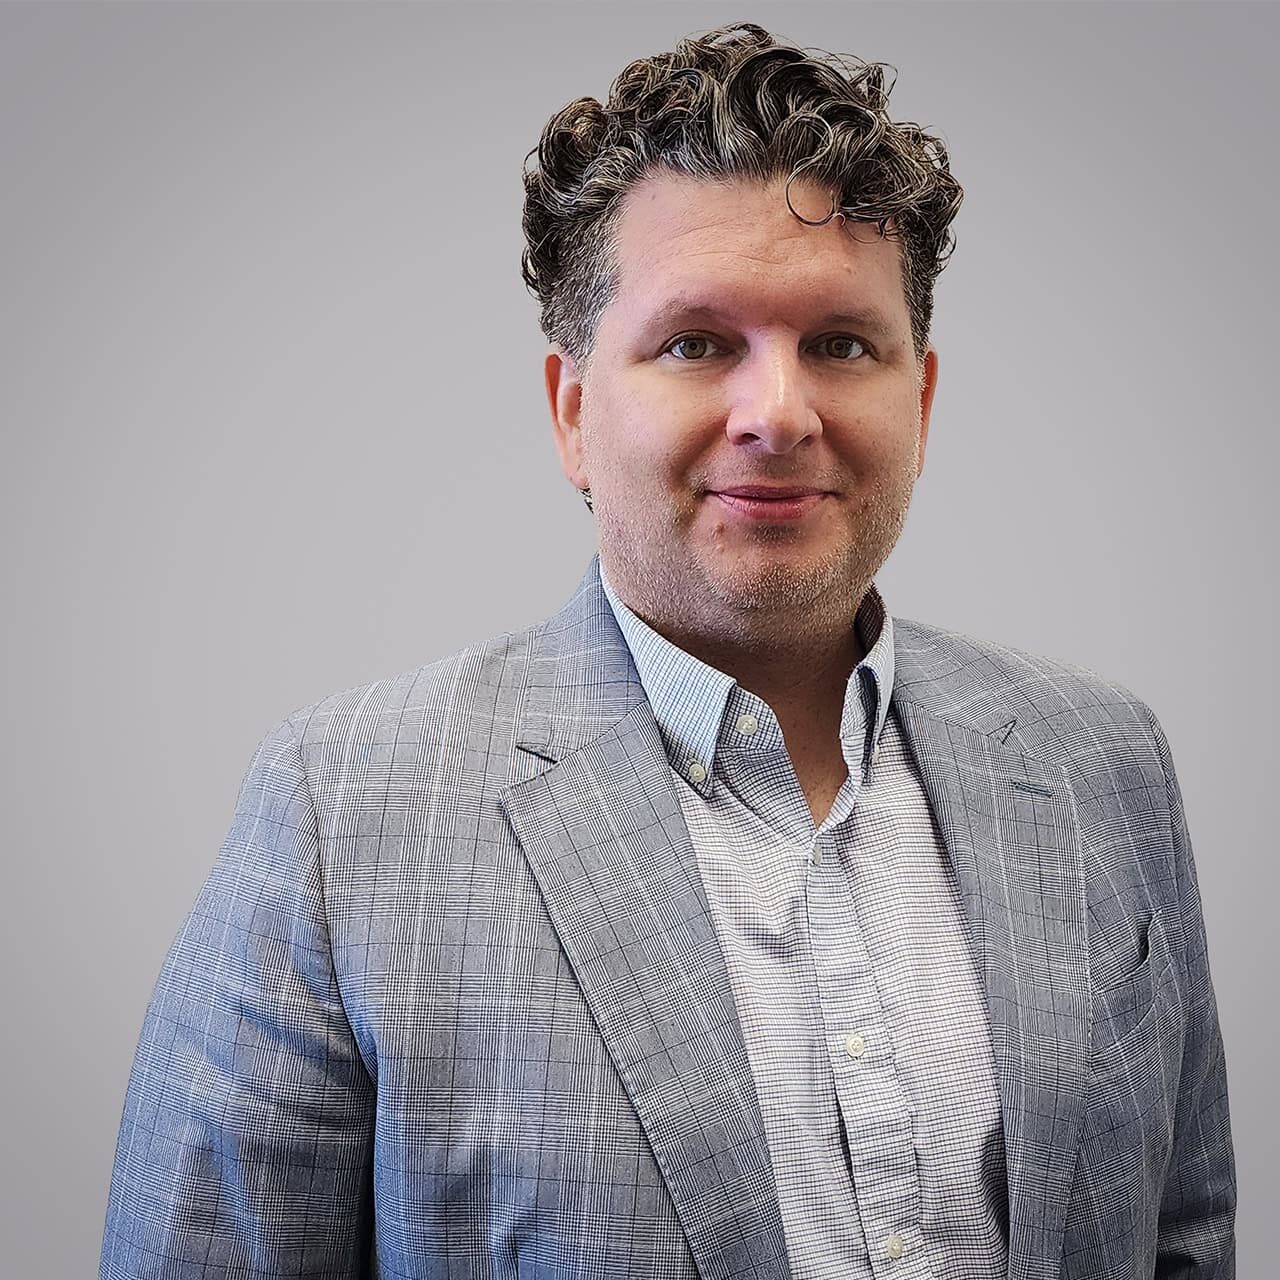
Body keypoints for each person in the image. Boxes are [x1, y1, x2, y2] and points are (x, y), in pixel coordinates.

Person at [100, 21, 1235, 1280]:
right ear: (573, 414)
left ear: (917, 403)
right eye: (696, 343)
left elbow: (1181, 1237)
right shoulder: (343, 810)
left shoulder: (1099, 759)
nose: (778, 413)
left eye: (840, 345)